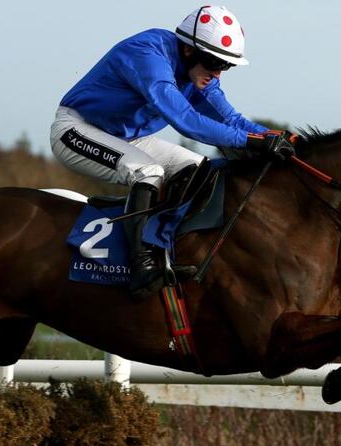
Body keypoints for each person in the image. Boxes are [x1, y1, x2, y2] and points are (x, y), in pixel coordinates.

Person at [50, 5, 295, 296]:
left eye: (225, 66)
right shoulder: (149, 55)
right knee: (148, 171)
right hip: (76, 129)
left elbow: (231, 119)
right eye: (215, 62)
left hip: (127, 137)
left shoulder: (199, 72)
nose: (217, 74)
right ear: (189, 50)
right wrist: (251, 142)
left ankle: (169, 248)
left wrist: (274, 137)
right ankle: (140, 265)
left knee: (197, 166)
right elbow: (186, 121)